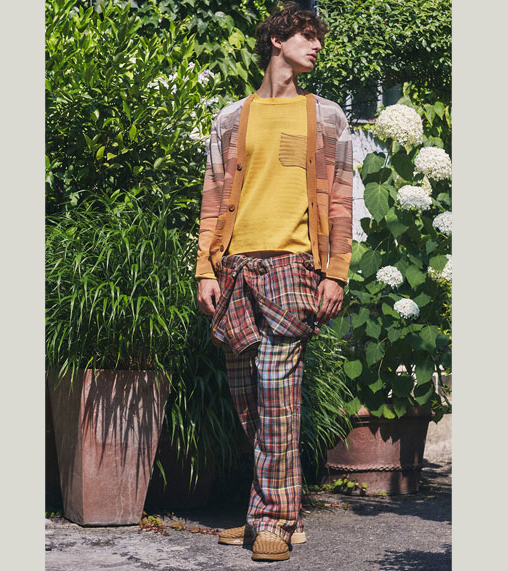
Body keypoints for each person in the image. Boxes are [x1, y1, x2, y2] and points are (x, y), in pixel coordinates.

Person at [193, 1, 353, 563]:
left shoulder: (327, 117)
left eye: (317, 37)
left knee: (278, 395)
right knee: (250, 402)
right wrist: (205, 268)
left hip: (293, 269)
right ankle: (280, 510)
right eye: (306, 35)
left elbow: (341, 200)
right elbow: (213, 197)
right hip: (236, 269)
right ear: (278, 42)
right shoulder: (230, 120)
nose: (317, 46)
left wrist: (336, 273)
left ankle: (273, 522)